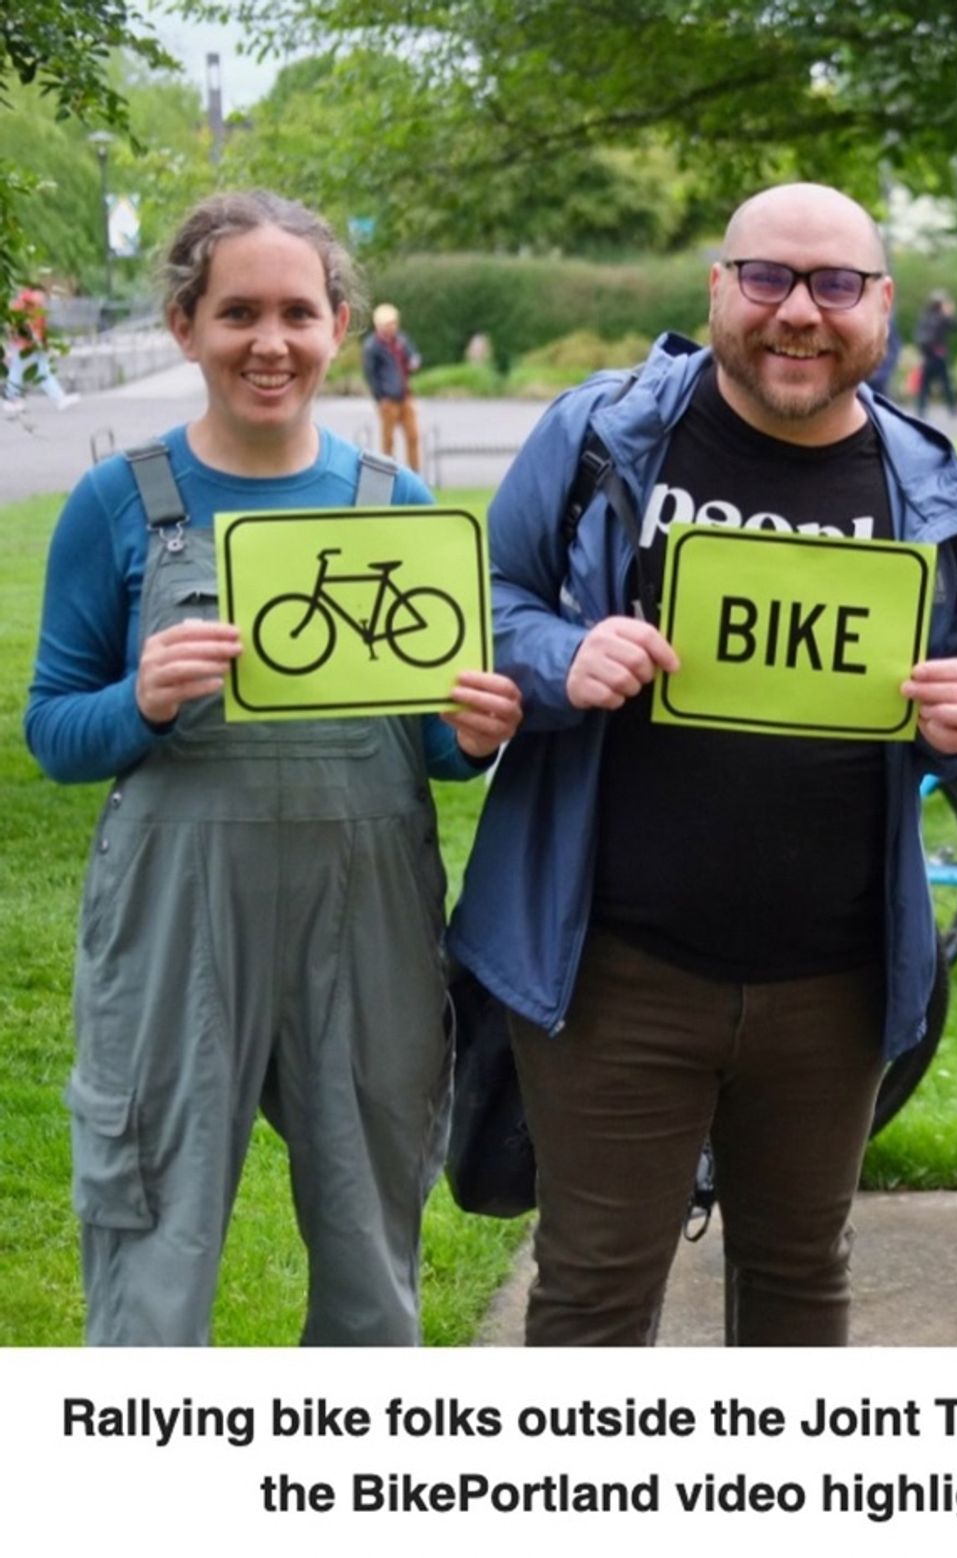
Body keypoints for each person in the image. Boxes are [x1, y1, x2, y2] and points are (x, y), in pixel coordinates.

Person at [447, 182, 957, 1347]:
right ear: (717, 289)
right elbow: (482, 601)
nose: (799, 311)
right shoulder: (600, 433)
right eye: (768, 278)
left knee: (800, 1285)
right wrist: (561, 654)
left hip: (834, 973)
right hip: (613, 965)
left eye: (834, 284)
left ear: (881, 307)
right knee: (594, 1293)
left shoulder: (928, 481)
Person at [23, 190, 523, 1346]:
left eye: (297, 311)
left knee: (368, 1249)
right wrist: (139, 701)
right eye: (236, 311)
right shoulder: (121, 503)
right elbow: (54, 729)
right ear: (185, 323)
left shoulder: (394, 509)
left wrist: (477, 732)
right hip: (173, 923)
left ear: (338, 325)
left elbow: (434, 752)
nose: (269, 341)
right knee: (154, 1237)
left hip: (367, 914)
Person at [362, 301, 422, 467]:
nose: (393, 327)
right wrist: (379, 398)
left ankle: (415, 473)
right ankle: (388, 474)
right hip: (388, 398)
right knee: (388, 441)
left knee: (413, 436)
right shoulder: (372, 346)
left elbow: (413, 355)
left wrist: (414, 361)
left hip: (405, 395)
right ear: (380, 326)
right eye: (389, 324)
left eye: (394, 323)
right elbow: (370, 374)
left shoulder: (401, 339)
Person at [3, 285, 79, 415]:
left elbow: (38, 328)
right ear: (35, 293)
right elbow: (21, 327)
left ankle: (59, 398)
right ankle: (12, 400)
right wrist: (35, 340)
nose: (44, 299)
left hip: (32, 346)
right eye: (42, 296)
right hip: (25, 346)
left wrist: (43, 344)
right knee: (21, 372)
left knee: (42, 372)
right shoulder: (25, 306)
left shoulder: (34, 306)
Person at [914, 289, 957, 417]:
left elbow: (919, 336)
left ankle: (921, 410)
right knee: (944, 383)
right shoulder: (940, 318)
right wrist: (950, 313)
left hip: (929, 356)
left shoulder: (926, 317)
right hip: (937, 355)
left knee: (926, 384)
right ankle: (952, 409)